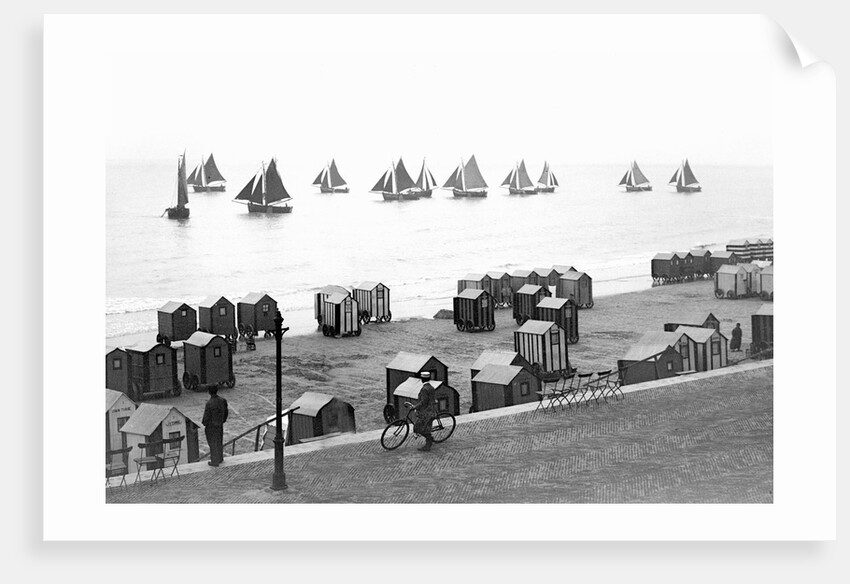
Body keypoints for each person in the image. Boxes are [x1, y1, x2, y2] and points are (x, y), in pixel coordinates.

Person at [405, 372, 437, 452]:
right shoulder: (431, 387)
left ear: (422, 379)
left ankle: (428, 445)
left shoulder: (424, 389)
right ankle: (430, 439)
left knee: (420, 428)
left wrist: (415, 407)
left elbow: (423, 402)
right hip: (431, 410)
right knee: (425, 427)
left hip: (426, 412)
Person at [202, 386, 229, 466]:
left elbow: (206, 416)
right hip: (219, 425)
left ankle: (214, 461)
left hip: (211, 426)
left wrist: (204, 423)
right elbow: (226, 412)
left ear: (209, 392)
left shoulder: (209, 403)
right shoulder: (223, 401)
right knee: (219, 441)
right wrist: (222, 420)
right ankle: (220, 458)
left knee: (212, 443)